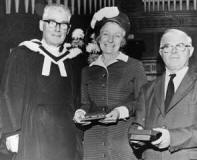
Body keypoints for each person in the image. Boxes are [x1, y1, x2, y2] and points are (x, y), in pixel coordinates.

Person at [0, 4, 83, 160]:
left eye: (63, 24)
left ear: (69, 29)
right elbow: (9, 95)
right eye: (52, 22)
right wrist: (12, 132)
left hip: (65, 136)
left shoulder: (72, 60)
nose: (58, 29)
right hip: (32, 133)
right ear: (41, 25)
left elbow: (76, 99)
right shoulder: (23, 54)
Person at [73, 6, 147, 160]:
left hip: (123, 141)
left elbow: (143, 102)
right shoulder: (87, 71)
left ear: (123, 40)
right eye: (106, 34)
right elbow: (85, 104)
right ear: (98, 37)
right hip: (93, 141)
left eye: (117, 35)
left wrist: (121, 112)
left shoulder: (135, 66)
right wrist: (80, 113)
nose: (110, 40)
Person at [129, 29, 197, 160]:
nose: (174, 51)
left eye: (180, 46)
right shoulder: (146, 89)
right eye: (168, 46)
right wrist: (136, 136)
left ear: (191, 51)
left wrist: (172, 137)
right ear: (161, 53)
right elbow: (137, 125)